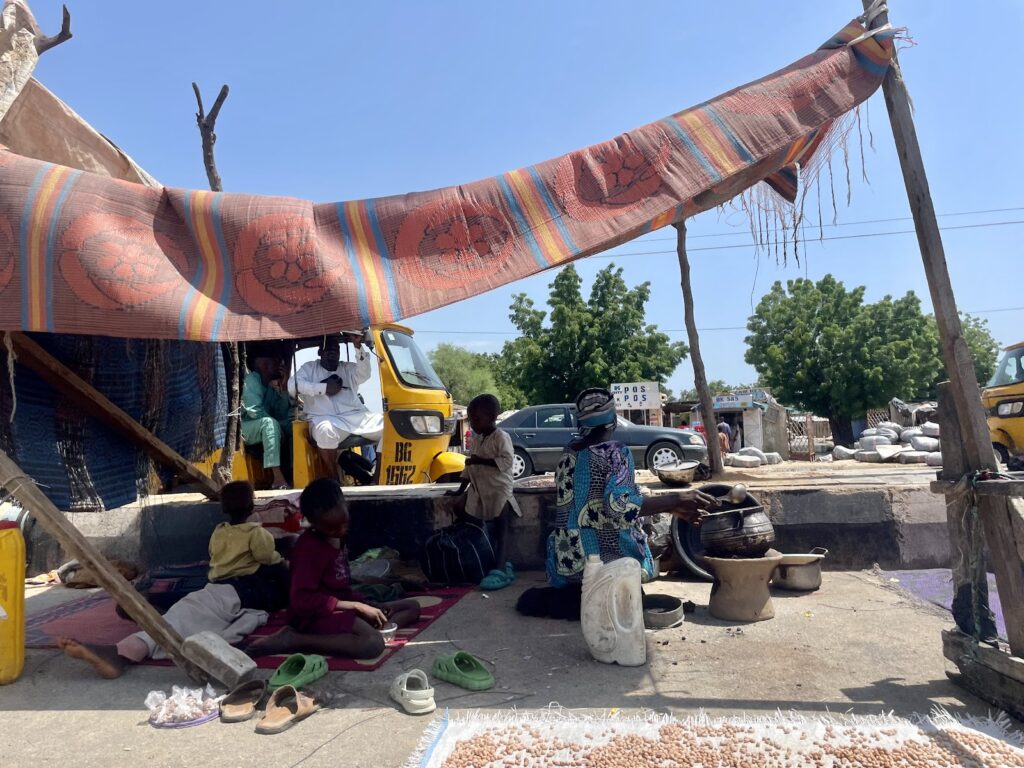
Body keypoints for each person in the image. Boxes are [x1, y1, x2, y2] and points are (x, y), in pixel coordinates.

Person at [57, 481, 285, 679]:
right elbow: (270, 559)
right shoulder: (258, 536)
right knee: (189, 610)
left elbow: (219, 558)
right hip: (231, 590)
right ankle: (134, 637)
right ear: (252, 507)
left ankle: (123, 651)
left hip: (228, 589)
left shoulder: (220, 532)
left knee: (185, 614)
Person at [545, 388, 717, 590]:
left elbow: (592, 502)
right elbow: (617, 508)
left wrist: (667, 507)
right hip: (600, 568)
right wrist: (675, 499)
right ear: (613, 419)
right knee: (637, 538)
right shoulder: (615, 452)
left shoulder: (569, 451)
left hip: (566, 565)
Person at [247, 478, 421, 659]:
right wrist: (355, 606)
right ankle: (295, 639)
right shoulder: (308, 549)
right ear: (313, 523)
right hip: (314, 616)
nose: (340, 530)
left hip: (343, 608)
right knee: (372, 644)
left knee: (412, 607)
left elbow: (341, 586)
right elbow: (301, 600)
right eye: (331, 528)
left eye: (343, 523)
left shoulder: (339, 537)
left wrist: (366, 604)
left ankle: (372, 629)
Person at [289, 334, 384, 480]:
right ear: (320, 352)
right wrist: (324, 388)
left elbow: (365, 374)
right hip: (324, 418)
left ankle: (378, 478)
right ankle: (334, 481)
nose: (333, 352)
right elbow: (292, 386)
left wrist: (358, 346)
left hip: (356, 416)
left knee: (389, 426)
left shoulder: (346, 368)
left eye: (336, 349)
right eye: (328, 349)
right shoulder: (309, 368)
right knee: (325, 431)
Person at [447, 394, 517, 590]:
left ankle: (501, 565)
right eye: (471, 420)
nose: (473, 424)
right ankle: (486, 553)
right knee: (465, 513)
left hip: (499, 490)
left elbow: (506, 462)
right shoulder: (477, 439)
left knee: (502, 526)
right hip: (480, 490)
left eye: (477, 419)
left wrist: (479, 461)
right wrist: (459, 490)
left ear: (492, 417)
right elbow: (469, 468)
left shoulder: (501, 437)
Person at [208, 480, 291, 612]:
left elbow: (212, 552)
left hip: (219, 579)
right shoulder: (255, 532)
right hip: (246, 582)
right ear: (251, 506)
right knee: (281, 569)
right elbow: (266, 557)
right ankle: (292, 600)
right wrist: (280, 559)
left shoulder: (218, 531)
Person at [241, 356, 292, 489]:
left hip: (260, 426)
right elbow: (254, 412)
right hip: (244, 428)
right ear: (263, 364)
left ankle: (293, 472)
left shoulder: (269, 387)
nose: (279, 366)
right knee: (270, 424)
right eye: (275, 362)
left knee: (290, 424)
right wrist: (277, 426)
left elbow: (281, 412)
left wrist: (284, 386)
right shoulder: (252, 380)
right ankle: (278, 478)